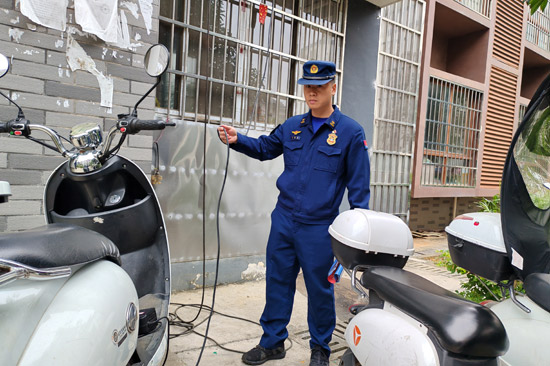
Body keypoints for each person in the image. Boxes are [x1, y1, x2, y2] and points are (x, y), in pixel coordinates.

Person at [218, 61, 370, 366]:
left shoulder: (350, 133)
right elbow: (264, 148)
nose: (311, 92)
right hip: (284, 220)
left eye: (319, 86)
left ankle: (320, 348)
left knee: (319, 289)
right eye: (307, 86)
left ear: (332, 87)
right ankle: (273, 342)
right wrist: (237, 140)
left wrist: (358, 236)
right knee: (278, 281)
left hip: (319, 227)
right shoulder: (292, 127)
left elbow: (359, 190)